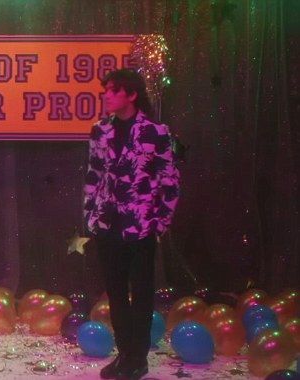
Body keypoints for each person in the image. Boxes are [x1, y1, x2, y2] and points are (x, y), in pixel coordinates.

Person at [83, 69, 180, 380]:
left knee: (140, 295)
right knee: (114, 294)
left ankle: (138, 358)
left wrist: (160, 222)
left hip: (141, 228)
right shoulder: (100, 131)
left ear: (132, 94)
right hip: (108, 226)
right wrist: (90, 215)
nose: (107, 95)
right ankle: (125, 354)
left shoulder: (156, 132)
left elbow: (170, 181)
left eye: (113, 90)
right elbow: (93, 176)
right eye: (106, 90)